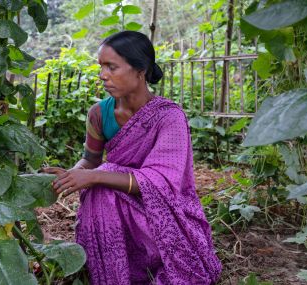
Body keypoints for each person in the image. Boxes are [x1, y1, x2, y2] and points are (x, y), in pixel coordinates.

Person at [43, 31, 221, 284]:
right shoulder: (98, 114)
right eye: (101, 67)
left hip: (162, 213)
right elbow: (90, 161)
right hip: (114, 209)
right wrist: (72, 176)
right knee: (100, 191)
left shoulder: (169, 118)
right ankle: (113, 271)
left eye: (112, 67)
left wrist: (94, 176)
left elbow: (162, 182)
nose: (103, 75)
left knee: (100, 185)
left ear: (140, 69)